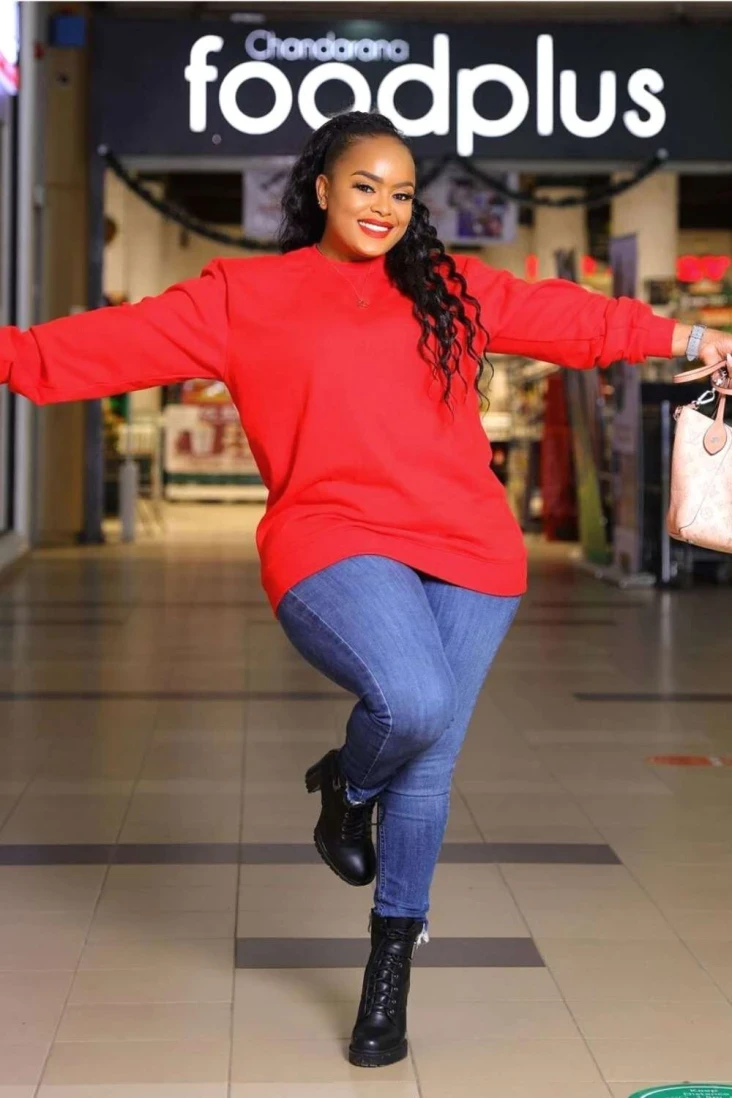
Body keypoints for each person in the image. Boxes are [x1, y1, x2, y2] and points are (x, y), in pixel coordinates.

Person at [1, 109, 730, 1069]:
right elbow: (89, 349)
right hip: (329, 537)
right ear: (320, 189)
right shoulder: (244, 296)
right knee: (414, 702)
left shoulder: (447, 288)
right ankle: (344, 784)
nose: (385, 206)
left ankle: (389, 967)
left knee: (429, 766)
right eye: (364, 185)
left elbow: (571, 319)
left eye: (402, 192)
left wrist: (689, 331)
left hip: (470, 546)